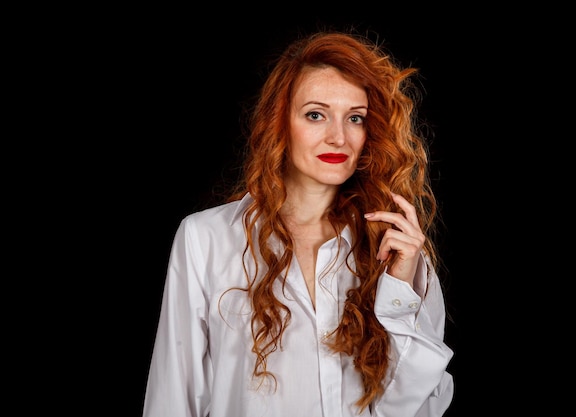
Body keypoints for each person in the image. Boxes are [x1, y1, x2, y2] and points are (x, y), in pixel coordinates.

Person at [142, 29, 454, 417]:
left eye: (355, 118)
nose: (338, 137)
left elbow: (416, 408)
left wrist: (400, 289)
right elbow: (173, 397)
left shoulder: (395, 250)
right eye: (315, 114)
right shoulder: (205, 239)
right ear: (281, 121)